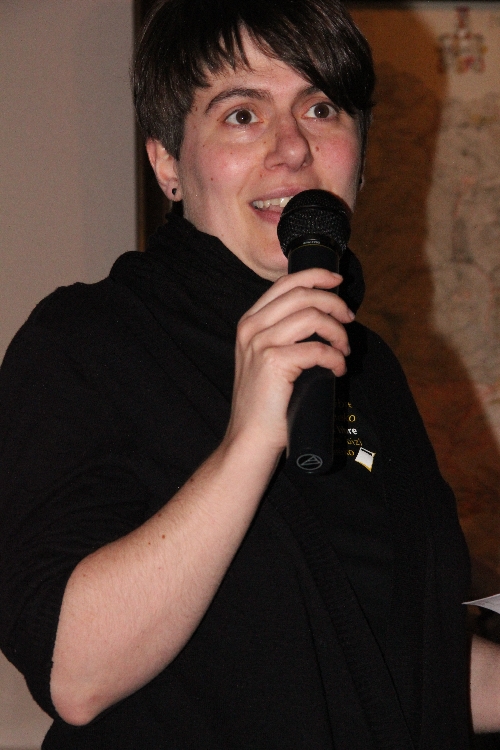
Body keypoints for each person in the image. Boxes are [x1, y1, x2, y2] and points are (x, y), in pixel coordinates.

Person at [0, 0, 498, 747]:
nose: (292, 148)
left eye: (321, 108)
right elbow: (74, 674)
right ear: (167, 164)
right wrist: (248, 442)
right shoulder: (86, 340)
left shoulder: (369, 368)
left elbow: (397, 658)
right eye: (241, 114)